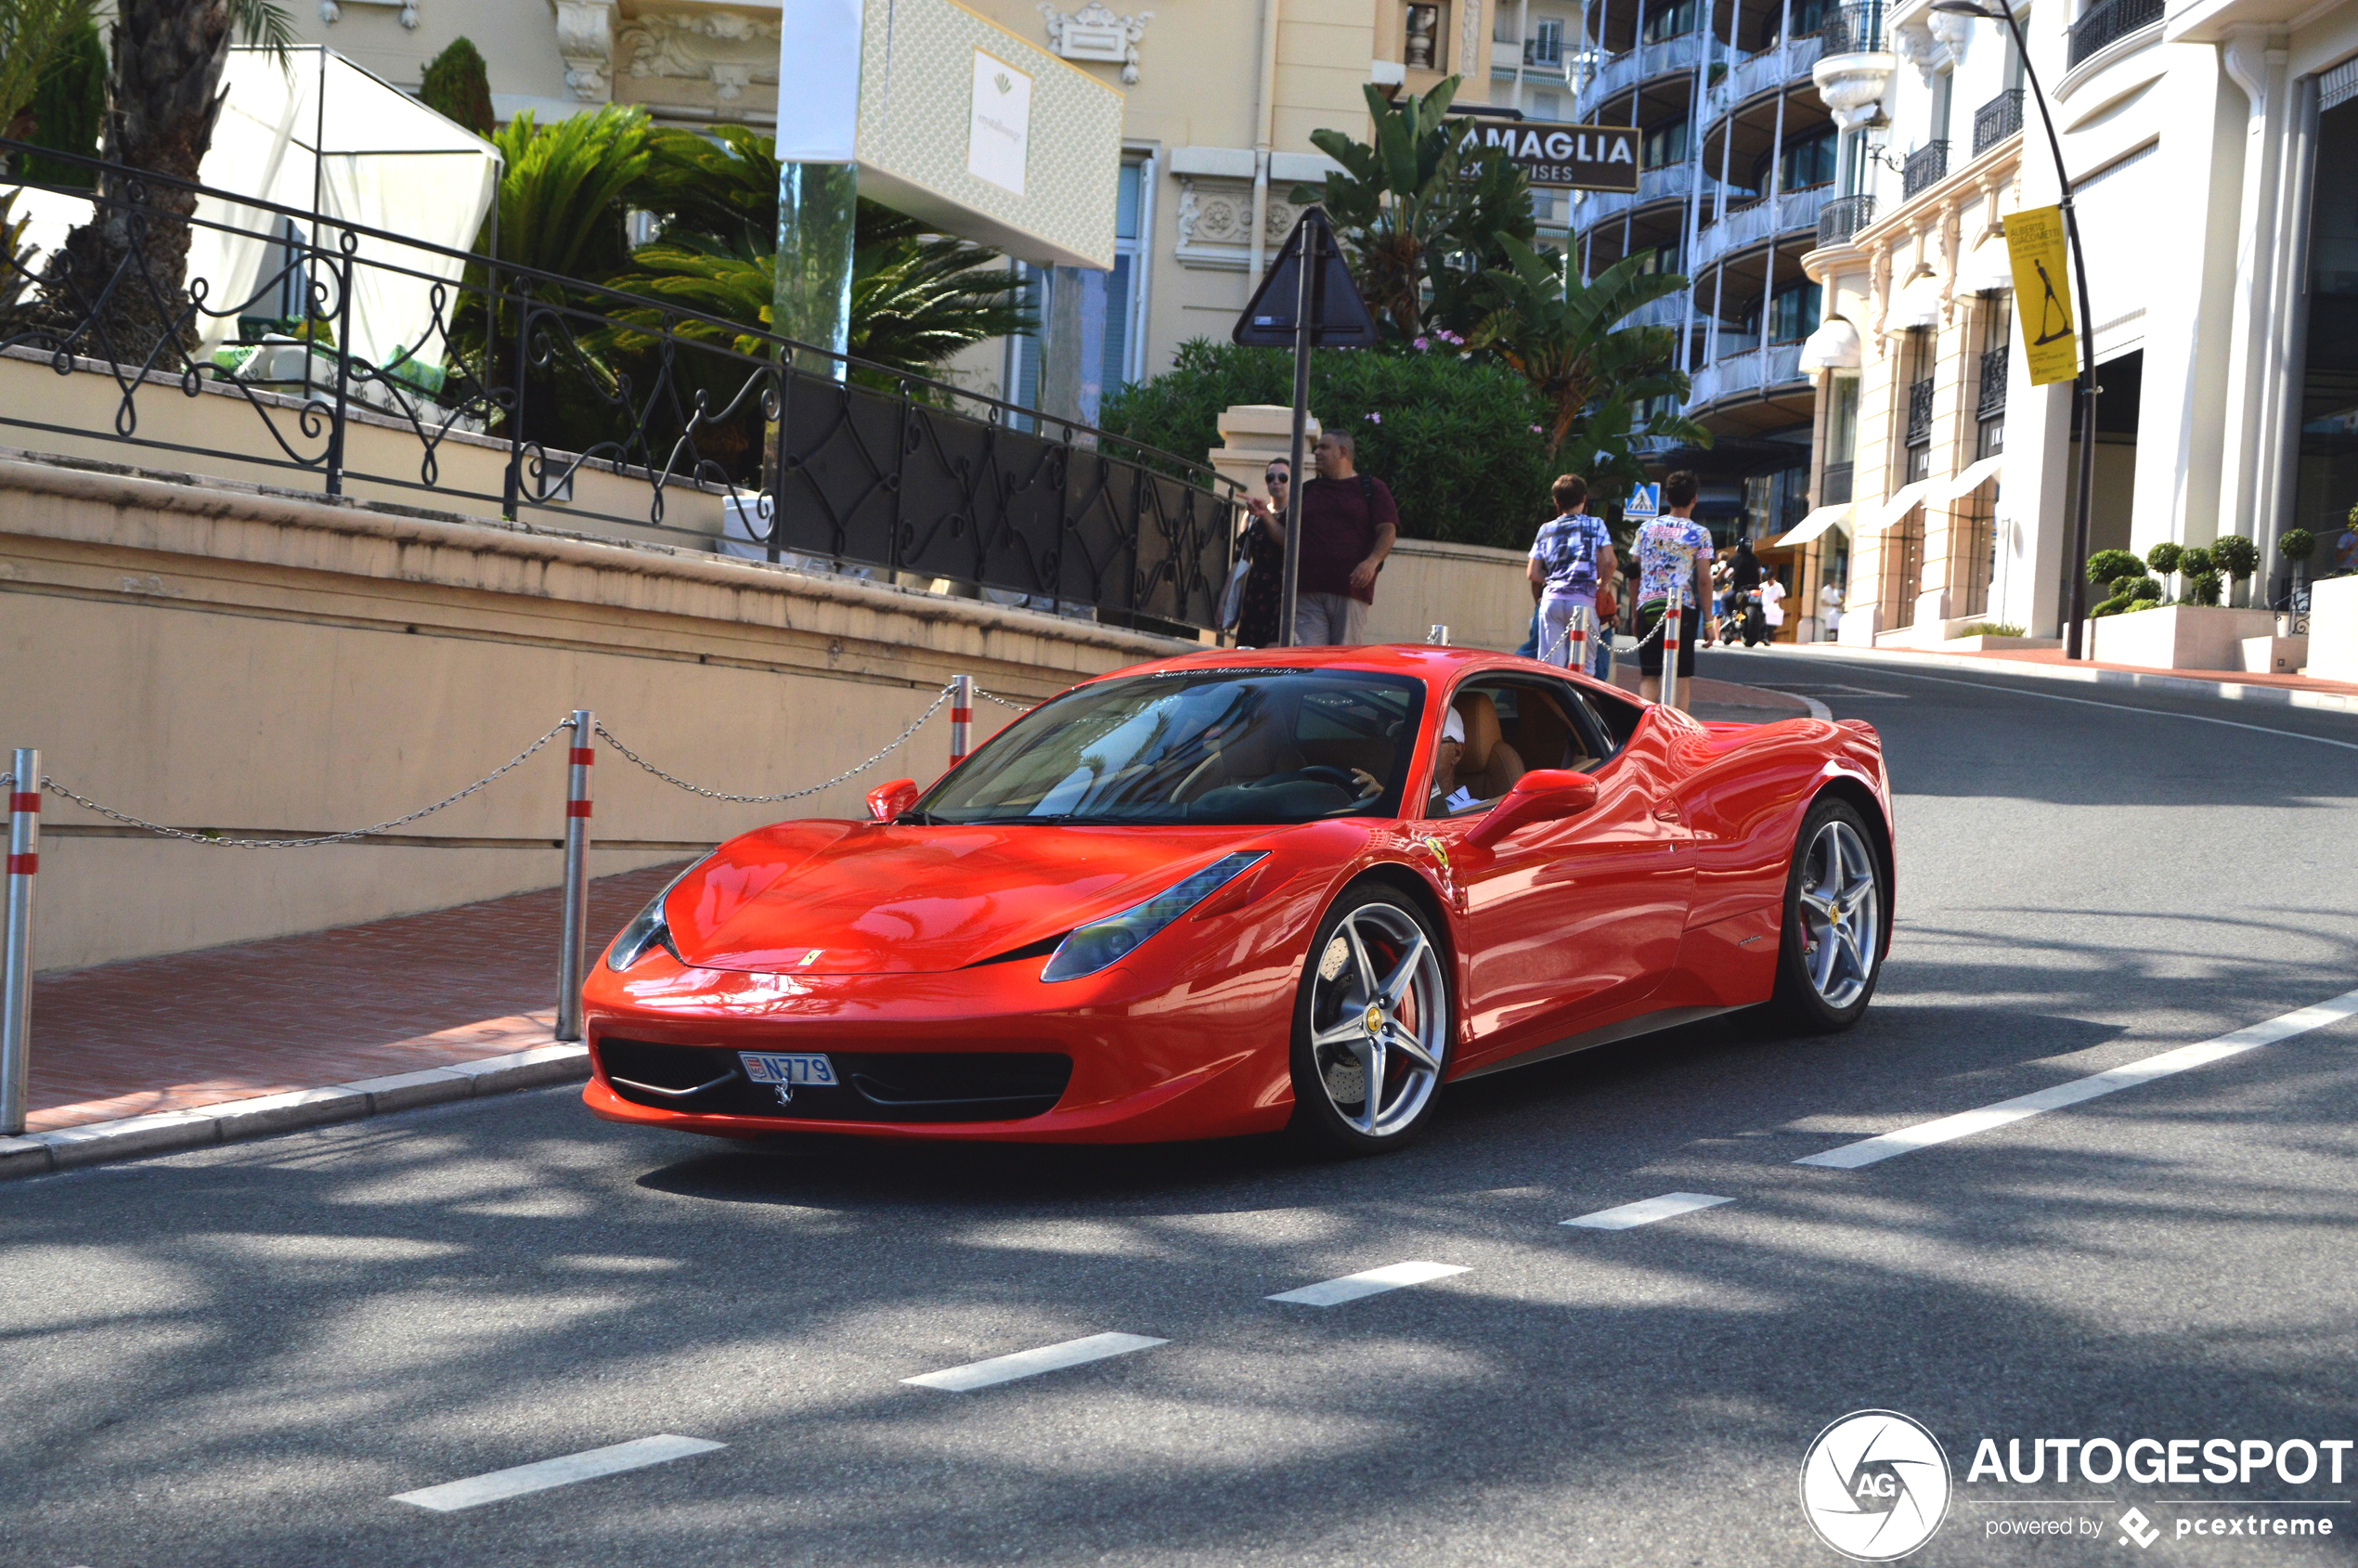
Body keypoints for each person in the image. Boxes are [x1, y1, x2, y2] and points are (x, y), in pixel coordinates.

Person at [1290, 430, 1397, 645]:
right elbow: (1286, 536)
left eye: (1324, 447)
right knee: (1308, 662)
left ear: (1343, 452)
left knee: (1342, 662)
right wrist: (1265, 515)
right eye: (1316, 448)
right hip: (1307, 592)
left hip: (1350, 591)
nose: (1316, 452)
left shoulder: (1372, 488)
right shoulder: (1307, 491)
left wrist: (1371, 562)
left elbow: (1388, 530)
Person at [1633, 470, 1717, 709]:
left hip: (1648, 605)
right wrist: (1709, 622)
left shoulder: (1646, 529)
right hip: (1682, 609)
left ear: (1667, 498)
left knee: (1649, 674)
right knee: (1681, 675)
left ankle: (1644, 727)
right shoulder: (1700, 534)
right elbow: (1703, 579)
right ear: (1694, 499)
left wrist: (1635, 611)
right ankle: (1679, 734)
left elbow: (1634, 571)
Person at [1526, 473, 1617, 674]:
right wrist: (1602, 584)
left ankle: (1551, 705)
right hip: (1582, 601)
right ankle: (1580, 703)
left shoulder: (1546, 529)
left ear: (1557, 502)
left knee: (1550, 667)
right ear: (1584, 499)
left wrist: (1554, 580)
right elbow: (1611, 561)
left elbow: (1532, 573)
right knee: (1585, 667)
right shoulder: (1595, 525)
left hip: (1552, 602)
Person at [1233, 459, 1289, 648]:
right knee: (1248, 651)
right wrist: (1225, 600)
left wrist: (1265, 514)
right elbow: (1241, 558)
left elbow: (1289, 543)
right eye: (1270, 477)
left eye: (1283, 477)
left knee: (1274, 650)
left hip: (1282, 592)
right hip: (1256, 590)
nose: (1276, 482)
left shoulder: (1296, 514)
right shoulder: (1251, 515)